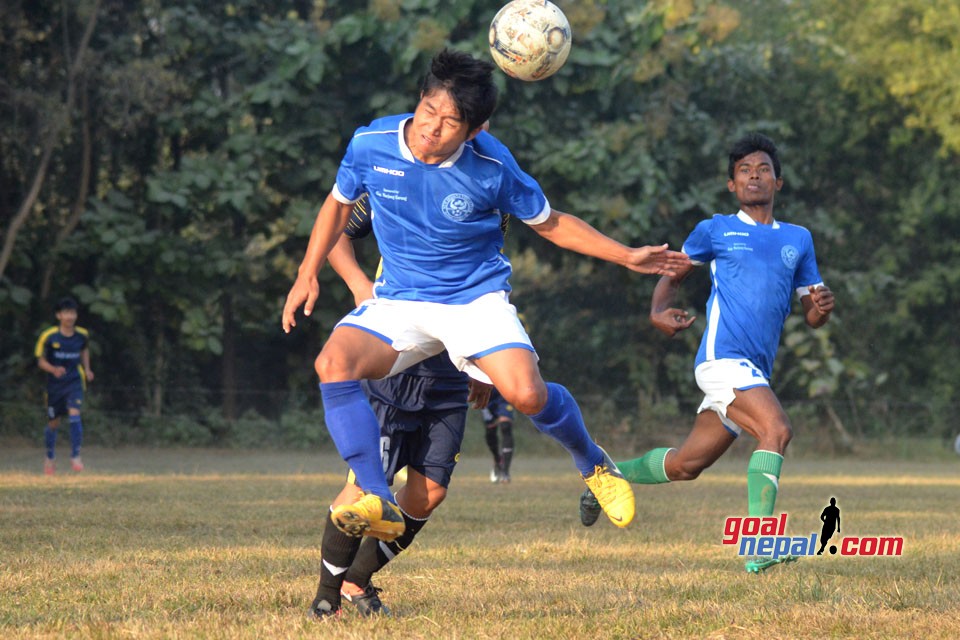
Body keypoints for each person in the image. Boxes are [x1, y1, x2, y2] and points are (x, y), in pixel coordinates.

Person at [282, 48, 688, 561]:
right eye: (429, 111)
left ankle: (593, 462)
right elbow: (338, 205)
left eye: (450, 122)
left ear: (474, 129)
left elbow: (551, 222)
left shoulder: (493, 166)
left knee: (526, 395)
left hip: (474, 300)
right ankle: (375, 495)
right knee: (332, 363)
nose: (432, 128)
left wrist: (627, 256)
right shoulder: (372, 142)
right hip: (400, 300)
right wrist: (307, 272)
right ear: (419, 102)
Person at [579, 133, 835, 575]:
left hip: (754, 370)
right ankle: (758, 547)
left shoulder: (799, 239)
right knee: (776, 429)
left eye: (763, 170)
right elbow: (674, 271)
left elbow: (811, 314)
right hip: (722, 360)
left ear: (779, 182)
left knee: (685, 466)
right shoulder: (715, 228)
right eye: (744, 171)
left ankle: (605, 475)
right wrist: (658, 310)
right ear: (731, 185)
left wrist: (821, 308)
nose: (754, 176)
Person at [309, 193, 491, 620]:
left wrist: (486, 359)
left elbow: (489, 276)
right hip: (396, 360)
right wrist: (359, 285)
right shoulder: (393, 180)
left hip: (450, 367)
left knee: (429, 494)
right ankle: (326, 597)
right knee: (366, 489)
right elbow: (334, 227)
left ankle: (357, 580)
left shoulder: (488, 188)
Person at [34, 296, 94, 474]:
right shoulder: (49, 336)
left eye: (73, 313)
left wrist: (88, 369)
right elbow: (40, 361)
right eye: (66, 313)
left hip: (74, 381)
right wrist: (53, 369)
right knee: (54, 423)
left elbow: (84, 350)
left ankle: (75, 456)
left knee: (75, 414)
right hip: (55, 386)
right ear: (59, 315)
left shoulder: (82, 335)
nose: (70, 316)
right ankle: (50, 457)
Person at [482, 387, 515, 483]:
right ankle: (497, 459)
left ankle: (505, 471)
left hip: (504, 390)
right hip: (486, 392)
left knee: (505, 426)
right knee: (490, 431)